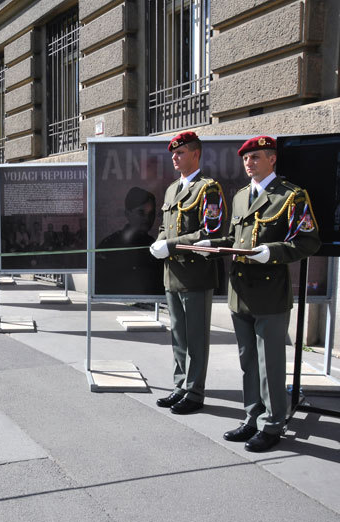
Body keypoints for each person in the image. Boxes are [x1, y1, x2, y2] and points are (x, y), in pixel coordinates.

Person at [196, 136, 320, 452]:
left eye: (256, 158)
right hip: (240, 293)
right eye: (246, 159)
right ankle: (253, 417)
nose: (249, 164)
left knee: (270, 363)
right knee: (248, 361)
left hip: (270, 294)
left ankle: (273, 423)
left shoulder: (291, 197)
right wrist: (213, 244)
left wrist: (271, 252)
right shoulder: (240, 197)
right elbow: (234, 236)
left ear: (272, 160)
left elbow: (308, 242)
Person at [149, 131, 226, 415]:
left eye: (180, 153)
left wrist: (169, 245)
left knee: (196, 338)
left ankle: (195, 392)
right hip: (172, 275)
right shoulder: (171, 190)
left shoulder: (209, 189)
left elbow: (212, 231)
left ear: (196, 154)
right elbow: (165, 226)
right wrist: (159, 241)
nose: (175, 157)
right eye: (173, 153)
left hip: (196, 276)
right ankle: (180, 385)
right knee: (179, 336)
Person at [96, 186, 164, 295]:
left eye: (151, 214)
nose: (147, 219)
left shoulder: (155, 246)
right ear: (127, 214)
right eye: (141, 213)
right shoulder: (109, 246)